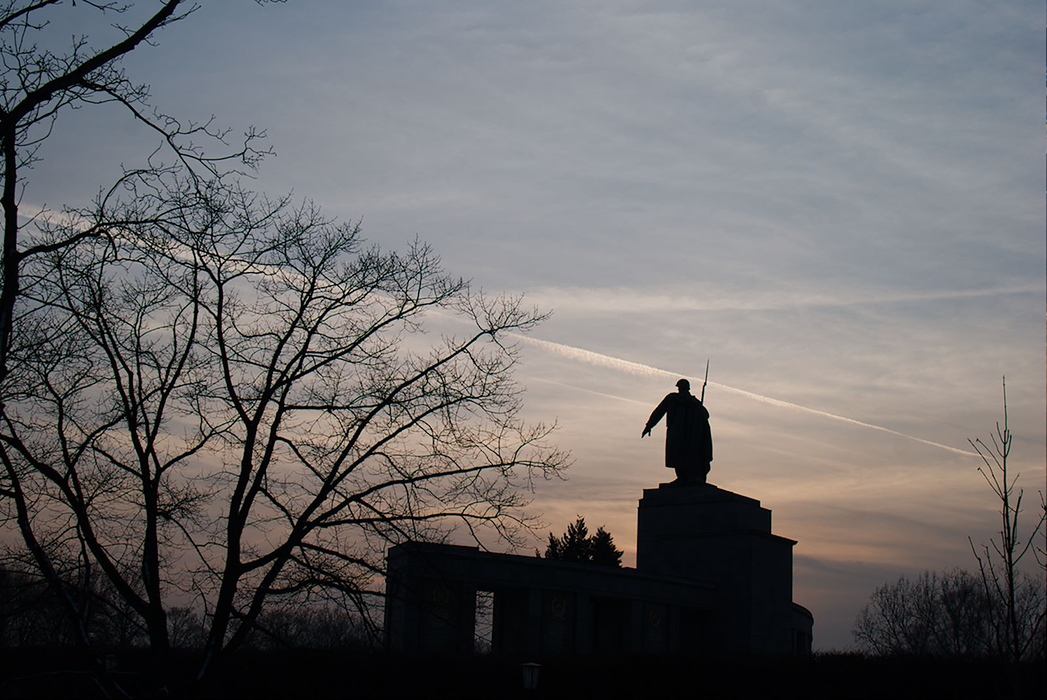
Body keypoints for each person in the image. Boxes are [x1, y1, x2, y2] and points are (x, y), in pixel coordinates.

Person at [642, 378, 713, 486]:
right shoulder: (695, 403)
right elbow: (706, 416)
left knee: (680, 454)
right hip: (689, 435)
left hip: (679, 434)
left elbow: (659, 411)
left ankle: (688, 477)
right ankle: (685, 478)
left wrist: (649, 426)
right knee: (684, 454)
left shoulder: (674, 398)